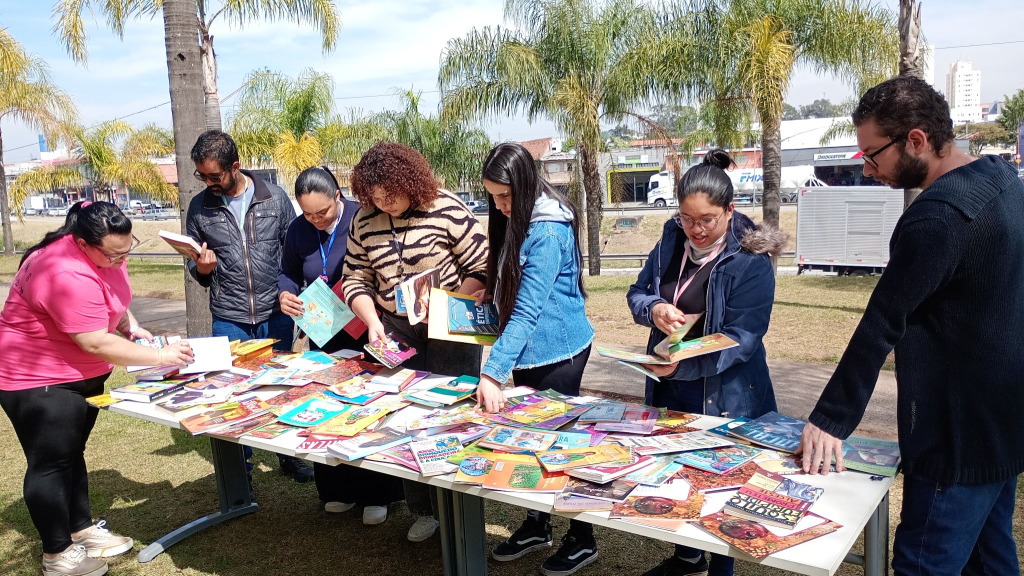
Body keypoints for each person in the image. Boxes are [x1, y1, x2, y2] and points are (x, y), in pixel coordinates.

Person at [797, 76, 1024, 576]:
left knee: (924, 564)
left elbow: (882, 322)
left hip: (954, 438)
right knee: (991, 560)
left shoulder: (938, 218)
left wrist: (831, 420)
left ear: (916, 141)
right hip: (1003, 425)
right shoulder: (1005, 180)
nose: (869, 168)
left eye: (873, 155)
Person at [0, 202, 194, 576]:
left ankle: (81, 528)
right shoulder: (63, 271)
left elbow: (113, 298)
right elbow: (93, 342)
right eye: (114, 253)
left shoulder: (102, 249)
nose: (121, 258)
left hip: (76, 376)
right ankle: (57, 554)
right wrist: (161, 356)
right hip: (40, 380)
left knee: (71, 453)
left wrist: (130, 326)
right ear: (83, 243)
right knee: (51, 463)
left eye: (128, 248)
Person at [626, 150, 785, 576]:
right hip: (670, 383)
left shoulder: (751, 262)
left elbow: (741, 340)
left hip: (724, 391)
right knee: (676, 472)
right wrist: (655, 308)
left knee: (721, 482)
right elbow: (637, 292)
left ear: (730, 211)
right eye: (686, 218)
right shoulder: (669, 241)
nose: (696, 229)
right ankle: (686, 555)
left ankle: (721, 567)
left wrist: (684, 366)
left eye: (707, 220)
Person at [340, 141, 488, 541]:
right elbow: (354, 277)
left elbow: (481, 265)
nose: (384, 203)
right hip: (394, 328)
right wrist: (372, 321)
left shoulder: (447, 208)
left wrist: (447, 302)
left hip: (449, 326)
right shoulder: (364, 220)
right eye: (375, 198)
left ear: (410, 181)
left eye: (391, 194)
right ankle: (424, 508)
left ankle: (459, 501)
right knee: (404, 417)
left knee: (450, 415)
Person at [473, 143, 597, 576]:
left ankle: (582, 539)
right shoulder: (520, 217)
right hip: (528, 350)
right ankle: (536, 523)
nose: (500, 206)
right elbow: (512, 280)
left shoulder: (547, 229)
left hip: (558, 352)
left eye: (506, 197)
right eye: (493, 197)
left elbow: (529, 310)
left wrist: (492, 371)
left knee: (560, 449)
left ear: (525, 186)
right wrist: (487, 292)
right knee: (531, 445)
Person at [184, 130, 313, 484]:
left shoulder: (275, 199)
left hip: (275, 314)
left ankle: (288, 456)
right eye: (202, 176)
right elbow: (194, 264)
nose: (208, 182)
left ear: (235, 167)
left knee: (280, 388)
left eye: (214, 176)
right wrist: (202, 268)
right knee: (231, 391)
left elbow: (295, 253)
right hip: (229, 316)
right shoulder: (200, 207)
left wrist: (297, 297)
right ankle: (241, 466)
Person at [277, 166, 404, 523]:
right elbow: (286, 270)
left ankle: (378, 494)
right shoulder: (299, 229)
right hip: (324, 332)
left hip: (367, 329)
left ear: (339, 196)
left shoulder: (365, 220)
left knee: (368, 411)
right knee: (327, 408)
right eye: (308, 213)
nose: (316, 220)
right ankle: (336, 488)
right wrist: (285, 292)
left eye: (324, 212)